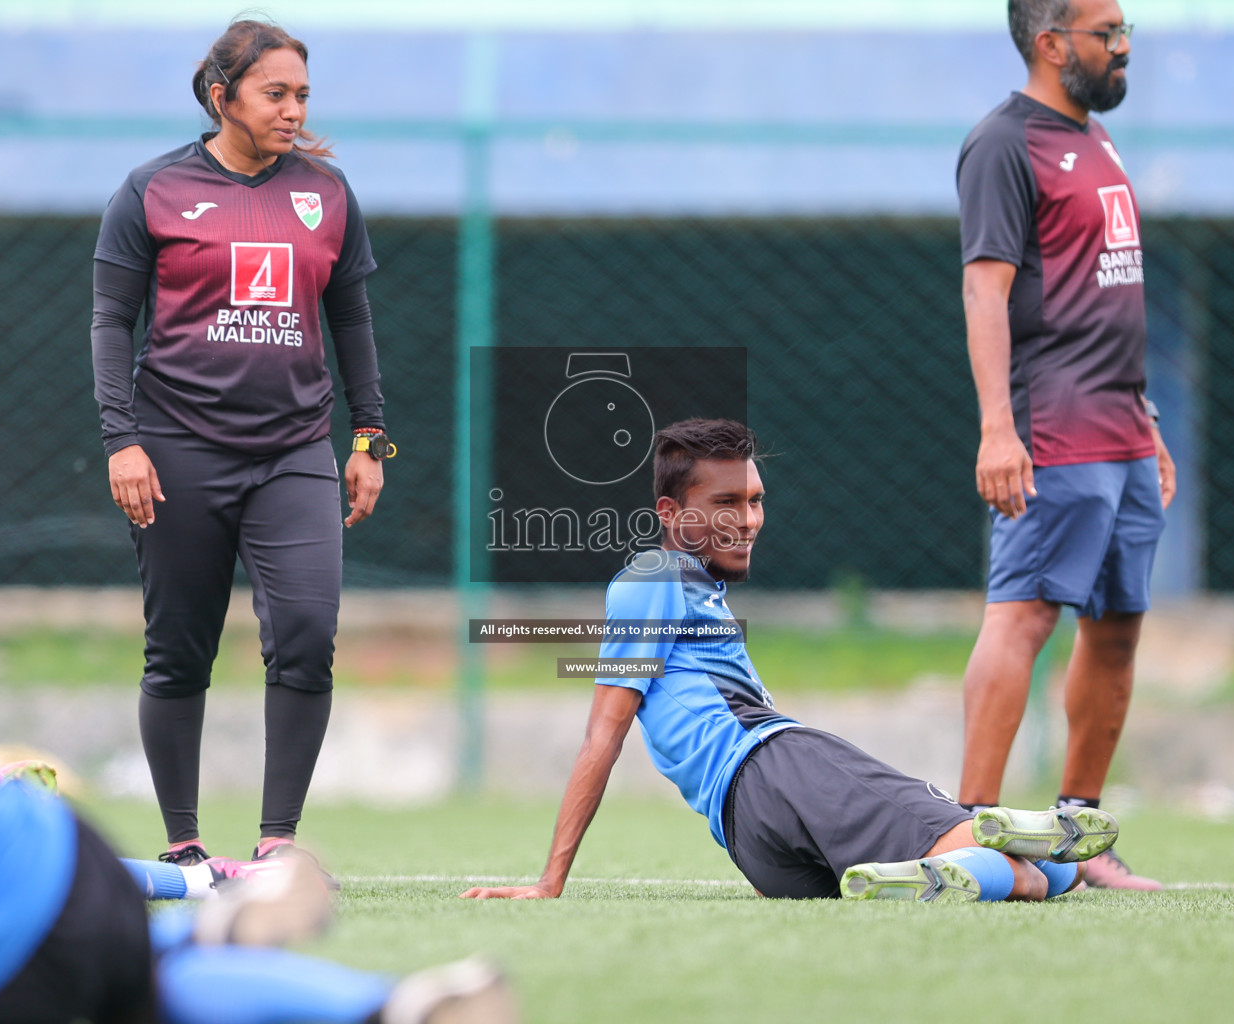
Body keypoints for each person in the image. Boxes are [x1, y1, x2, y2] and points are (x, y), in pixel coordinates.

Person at [0, 377, 512, 1024]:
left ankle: (248, 924)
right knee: (143, 972)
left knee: (135, 973)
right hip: (24, 886)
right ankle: (292, 949)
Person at [462, 420, 1120, 904]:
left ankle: (976, 856)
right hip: (773, 764)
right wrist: (550, 882)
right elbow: (602, 734)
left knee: (1051, 876)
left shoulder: (690, 589)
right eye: (727, 503)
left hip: (756, 848)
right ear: (670, 512)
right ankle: (994, 836)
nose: (749, 520)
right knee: (1022, 871)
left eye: (755, 500)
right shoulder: (656, 575)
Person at [90, 18, 398, 866]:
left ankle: (276, 848)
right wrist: (122, 441)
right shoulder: (150, 191)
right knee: (179, 648)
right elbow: (111, 323)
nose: (293, 109)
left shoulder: (328, 194)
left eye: (302, 94)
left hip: (295, 452)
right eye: (275, 93)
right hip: (175, 449)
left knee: (305, 630)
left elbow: (353, 322)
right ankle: (184, 848)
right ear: (222, 97)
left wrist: (371, 440)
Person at [954, 0, 1174, 890]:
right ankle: (966, 830)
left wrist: (1148, 421)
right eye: (1106, 33)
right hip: (1053, 430)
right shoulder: (1004, 144)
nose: (1123, 48)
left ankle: (1083, 837)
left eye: (1127, 31)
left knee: (1117, 631)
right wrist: (998, 429)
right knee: (1023, 618)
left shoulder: (1097, 138)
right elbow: (984, 292)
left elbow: (1101, 297)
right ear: (1051, 44)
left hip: (1123, 430)